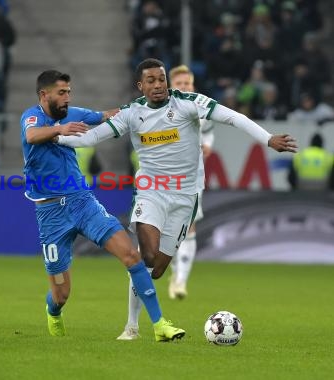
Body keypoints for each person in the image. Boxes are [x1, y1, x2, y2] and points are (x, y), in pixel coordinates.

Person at [56, 59, 297, 339]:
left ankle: (149, 312)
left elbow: (233, 117)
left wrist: (267, 138)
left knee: (156, 269)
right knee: (144, 256)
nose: (158, 85)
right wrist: (53, 137)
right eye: (151, 81)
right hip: (150, 190)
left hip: (185, 196)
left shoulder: (188, 103)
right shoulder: (132, 113)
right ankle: (132, 327)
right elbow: (89, 139)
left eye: (161, 79)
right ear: (140, 85)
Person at [21, 69, 186, 341]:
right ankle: (53, 312)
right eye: (61, 93)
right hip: (49, 213)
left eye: (69, 93)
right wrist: (60, 130)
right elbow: (31, 136)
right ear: (44, 94)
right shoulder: (32, 117)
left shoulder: (72, 114)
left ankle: (159, 325)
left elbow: (108, 115)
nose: (67, 98)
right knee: (61, 295)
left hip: (82, 203)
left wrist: (142, 107)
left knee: (132, 256)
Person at [166, 65, 214, 301]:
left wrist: (207, 145)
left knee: (190, 225)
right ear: (171, 87)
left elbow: (209, 131)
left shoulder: (202, 108)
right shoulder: (160, 110)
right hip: (164, 177)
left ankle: (181, 279)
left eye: (188, 84)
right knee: (167, 229)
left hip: (193, 177)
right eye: (180, 84)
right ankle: (174, 269)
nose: (185, 87)